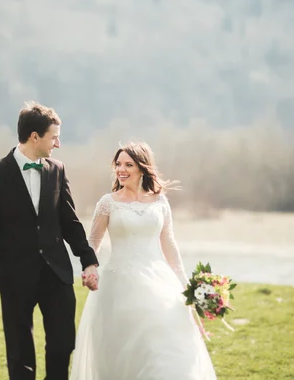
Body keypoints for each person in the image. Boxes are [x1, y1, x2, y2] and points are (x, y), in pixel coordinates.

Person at [0, 101, 99, 380]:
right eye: (54, 137)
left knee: (63, 344)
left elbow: (70, 221)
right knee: (19, 354)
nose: (58, 144)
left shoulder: (57, 170)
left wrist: (88, 260)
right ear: (34, 137)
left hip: (57, 274)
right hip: (16, 276)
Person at [70, 141, 217, 380]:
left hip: (158, 281)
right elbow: (92, 243)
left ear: (142, 167)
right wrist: (89, 268)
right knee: (122, 350)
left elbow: (169, 245)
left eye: (128, 164)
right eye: (118, 164)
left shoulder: (160, 202)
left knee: (162, 345)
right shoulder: (108, 203)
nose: (121, 169)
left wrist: (184, 285)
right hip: (118, 285)